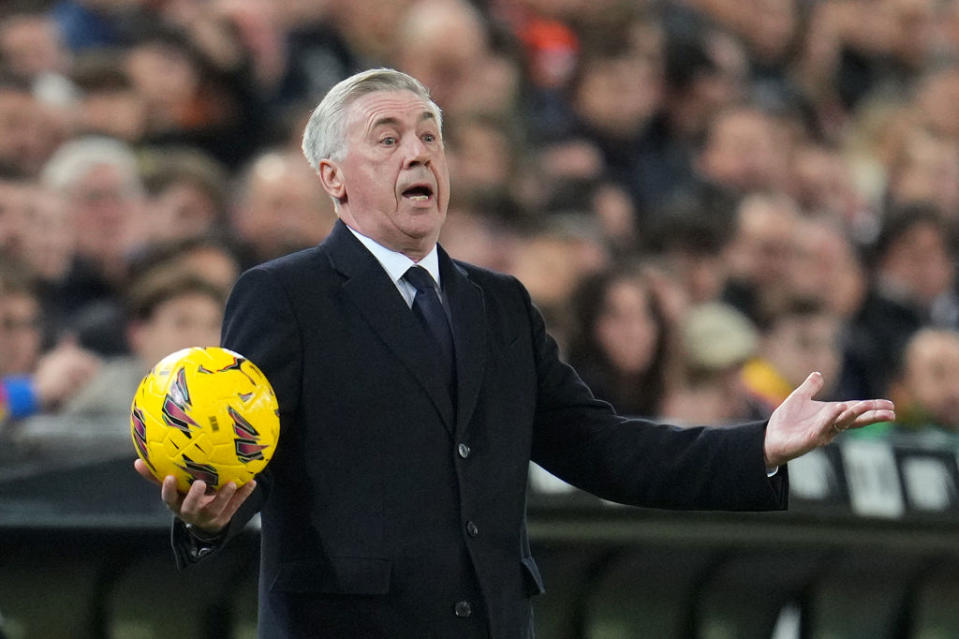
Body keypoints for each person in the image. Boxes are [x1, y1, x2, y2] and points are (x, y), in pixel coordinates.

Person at [135, 68, 894, 639]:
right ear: (332, 177)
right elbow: (247, 447)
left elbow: (599, 446)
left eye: (430, 134)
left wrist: (758, 444)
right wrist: (206, 518)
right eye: (388, 137)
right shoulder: (285, 296)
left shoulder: (497, 304)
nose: (419, 151)